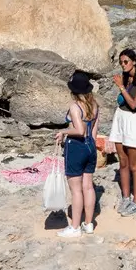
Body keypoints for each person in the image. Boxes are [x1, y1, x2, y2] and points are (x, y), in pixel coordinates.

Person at [109, 49, 136, 214]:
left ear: (134, 61)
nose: (123, 65)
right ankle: (126, 197)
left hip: (133, 120)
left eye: (125, 61)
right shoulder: (125, 77)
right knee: (123, 161)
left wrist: (121, 87)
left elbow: (134, 104)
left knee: (134, 164)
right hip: (120, 117)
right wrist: (122, 85)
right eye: (121, 62)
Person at [59, 72, 100, 236]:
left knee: (76, 190)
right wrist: (92, 146)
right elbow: (93, 131)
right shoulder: (95, 105)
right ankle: (88, 224)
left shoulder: (75, 106)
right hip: (91, 146)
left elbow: (79, 130)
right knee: (88, 187)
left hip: (76, 147)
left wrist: (63, 131)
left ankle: (75, 227)